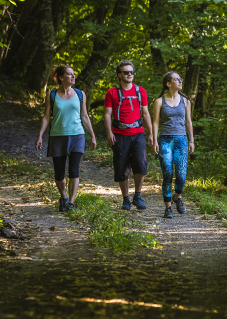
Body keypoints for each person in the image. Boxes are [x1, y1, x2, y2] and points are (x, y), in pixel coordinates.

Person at [35, 65, 97, 212]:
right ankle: (63, 196)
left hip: (77, 135)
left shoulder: (80, 94)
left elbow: (85, 116)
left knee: (74, 171)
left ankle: (71, 203)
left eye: (73, 74)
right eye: (69, 74)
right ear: (61, 78)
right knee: (59, 173)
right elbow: (46, 116)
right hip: (57, 136)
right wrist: (40, 136)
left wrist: (93, 136)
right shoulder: (52, 94)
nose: (73, 76)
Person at [103, 60, 154, 210]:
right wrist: (109, 132)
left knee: (141, 163)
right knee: (122, 167)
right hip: (119, 134)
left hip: (138, 133)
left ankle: (137, 196)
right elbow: (107, 114)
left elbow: (145, 113)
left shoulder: (140, 91)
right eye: (126, 72)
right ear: (119, 75)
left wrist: (151, 133)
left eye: (131, 72)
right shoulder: (111, 92)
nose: (129, 74)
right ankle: (125, 199)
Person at [151, 71, 195, 219]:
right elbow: (155, 122)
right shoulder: (159, 102)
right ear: (168, 84)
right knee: (168, 173)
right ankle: (168, 206)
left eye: (181, 79)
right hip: (165, 140)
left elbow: (189, 122)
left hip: (181, 140)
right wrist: (155, 139)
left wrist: (191, 140)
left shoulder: (186, 101)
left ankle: (178, 196)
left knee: (181, 175)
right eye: (177, 79)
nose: (180, 81)